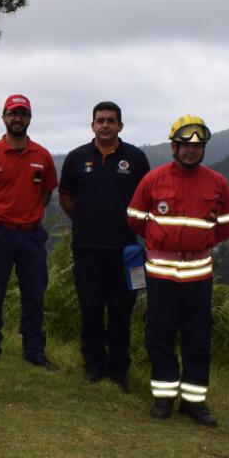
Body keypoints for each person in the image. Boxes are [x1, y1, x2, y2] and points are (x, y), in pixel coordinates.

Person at [128, 115, 229, 426]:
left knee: (197, 340)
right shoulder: (153, 180)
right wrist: (162, 242)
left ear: (203, 149)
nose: (191, 151)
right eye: (185, 146)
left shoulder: (217, 183)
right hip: (161, 273)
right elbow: (135, 218)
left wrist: (199, 243)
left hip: (198, 275)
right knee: (159, 336)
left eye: (198, 146)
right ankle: (163, 397)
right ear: (173, 146)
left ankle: (193, 402)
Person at [58, 101, 150, 391]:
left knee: (122, 313)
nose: (105, 125)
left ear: (120, 125)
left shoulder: (135, 158)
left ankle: (119, 372)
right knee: (91, 311)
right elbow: (67, 198)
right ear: (93, 125)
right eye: (100, 120)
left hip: (126, 250)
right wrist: (87, 221)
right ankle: (93, 367)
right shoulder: (76, 158)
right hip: (87, 249)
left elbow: (145, 200)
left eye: (111, 120)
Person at [0, 94, 58, 370]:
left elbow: (46, 194)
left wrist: (26, 216)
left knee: (34, 294)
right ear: (4, 117)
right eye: (12, 113)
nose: (17, 118)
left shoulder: (42, 155)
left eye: (22, 114)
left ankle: (34, 350)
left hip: (32, 235)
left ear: (29, 118)